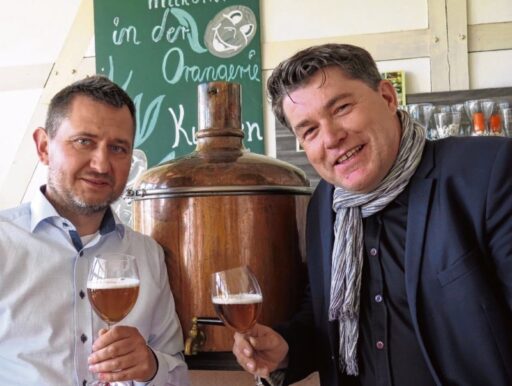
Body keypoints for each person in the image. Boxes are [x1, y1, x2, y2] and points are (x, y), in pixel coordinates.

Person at [232, 43, 512, 386]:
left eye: (342, 107)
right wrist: (285, 348)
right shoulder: (325, 202)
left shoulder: (486, 172)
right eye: (309, 130)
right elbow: (324, 314)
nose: (332, 138)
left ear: (387, 97)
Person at [0, 75, 189, 386]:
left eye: (118, 148)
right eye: (84, 141)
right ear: (44, 147)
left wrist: (151, 367)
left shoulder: (147, 254)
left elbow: (178, 376)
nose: (102, 164)